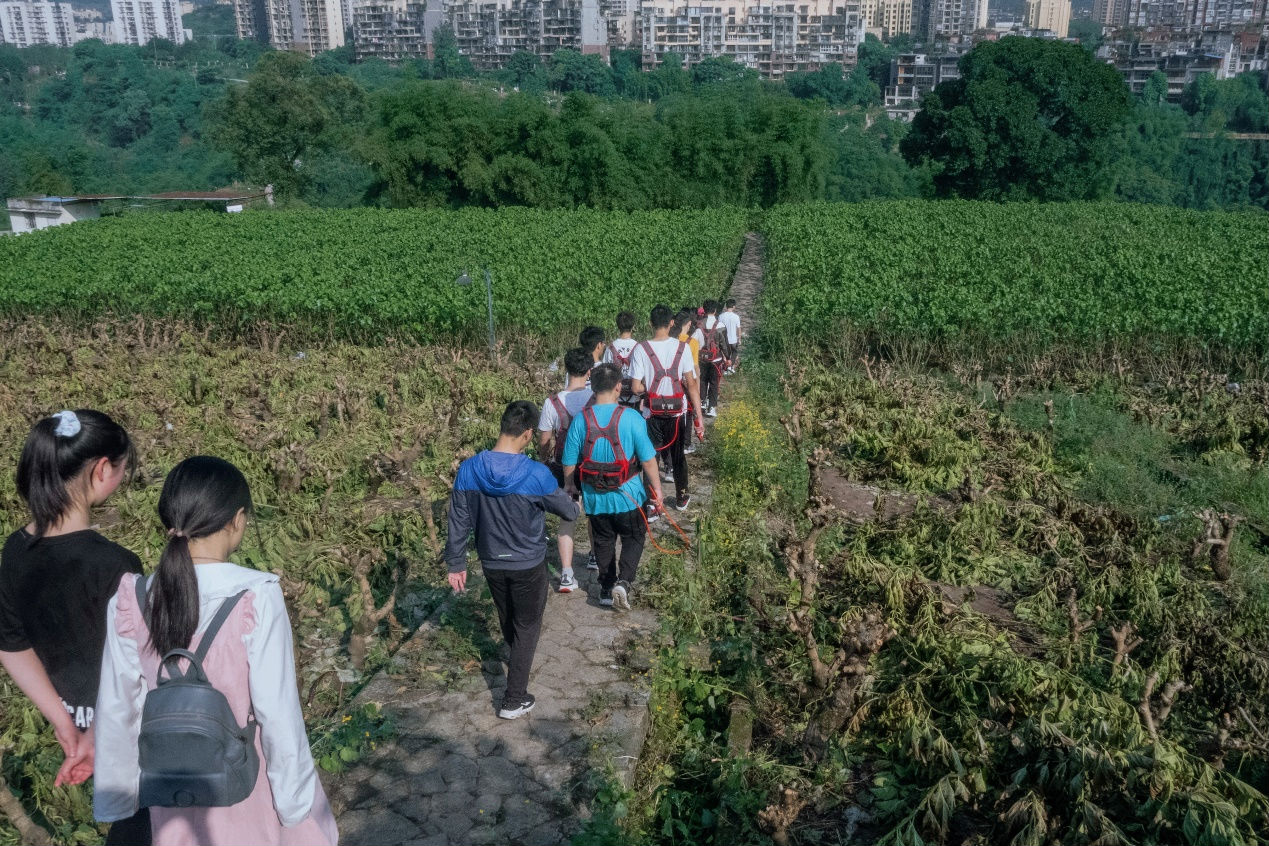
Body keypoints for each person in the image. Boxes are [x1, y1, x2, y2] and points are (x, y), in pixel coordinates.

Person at [95, 456, 337, 846]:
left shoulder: (133, 598)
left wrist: (117, 799)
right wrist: (294, 804)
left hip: (170, 788)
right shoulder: (255, 595)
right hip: (245, 781)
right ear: (237, 520)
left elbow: (118, 707)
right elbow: (277, 713)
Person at [0, 409, 151, 845]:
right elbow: (137, 665)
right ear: (102, 470)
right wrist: (100, 732)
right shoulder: (116, 565)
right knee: (147, 819)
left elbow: (11, 645)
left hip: (75, 717)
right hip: (124, 726)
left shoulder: (15, 549)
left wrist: (65, 724)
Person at [446, 401, 580, 718]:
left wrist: (456, 563)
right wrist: (574, 504)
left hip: (492, 561)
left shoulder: (468, 470)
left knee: (508, 618)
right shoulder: (536, 473)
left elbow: (458, 520)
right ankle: (513, 699)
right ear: (528, 434)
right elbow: (567, 511)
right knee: (528, 626)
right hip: (527, 564)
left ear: (503, 426)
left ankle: (517, 658)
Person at [560, 364, 662, 611]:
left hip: (595, 497)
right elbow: (648, 460)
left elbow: (569, 459)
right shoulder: (632, 418)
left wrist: (569, 485)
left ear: (592, 388)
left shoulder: (581, 420)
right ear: (618, 387)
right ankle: (623, 583)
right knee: (634, 537)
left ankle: (606, 588)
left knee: (603, 541)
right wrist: (657, 490)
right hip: (629, 496)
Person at [630, 305, 705, 512]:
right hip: (677, 414)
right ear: (672, 323)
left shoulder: (641, 349)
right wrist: (698, 416)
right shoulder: (683, 348)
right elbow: (691, 384)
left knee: (651, 457)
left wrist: (651, 388)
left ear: (650, 323)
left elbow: (635, 388)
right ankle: (681, 497)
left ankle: (652, 505)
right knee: (678, 455)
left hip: (651, 414)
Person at [537, 348, 595, 594]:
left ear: (566, 370)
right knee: (594, 513)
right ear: (589, 371)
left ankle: (567, 574)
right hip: (592, 465)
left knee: (567, 518)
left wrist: (544, 461)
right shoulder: (596, 398)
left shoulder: (552, 402)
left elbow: (544, 440)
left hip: (562, 466)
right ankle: (594, 556)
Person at [675, 310, 703, 456]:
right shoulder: (692, 343)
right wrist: (697, 388)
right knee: (689, 412)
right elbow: (695, 367)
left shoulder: (671, 339)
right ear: (689, 324)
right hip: (687, 382)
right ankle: (686, 443)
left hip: (673, 382)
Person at [698, 302, 726, 417]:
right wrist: (727, 357)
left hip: (702, 358)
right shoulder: (720, 325)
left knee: (703, 380)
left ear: (704, 310)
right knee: (714, 382)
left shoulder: (699, 324)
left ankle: (702, 402)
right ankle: (711, 407)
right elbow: (724, 344)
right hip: (716, 359)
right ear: (715, 310)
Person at [602, 311, 638, 378]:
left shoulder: (610, 348)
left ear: (618, 326)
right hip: (634, 384)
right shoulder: (638, 347)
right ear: (633, 326)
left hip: (614, 384)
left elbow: (605, 371)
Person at [719, 299, 742, 374]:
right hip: (733, 339)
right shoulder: (736, 317)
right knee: (734, 352)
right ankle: (730, 367)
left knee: (726, 354)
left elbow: (719, 328)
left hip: (724, 339)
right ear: (734, 307)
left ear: (726, 306)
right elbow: (738, 328)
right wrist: (739, 338)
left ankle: (726, 368)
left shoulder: (721, 316)